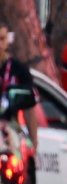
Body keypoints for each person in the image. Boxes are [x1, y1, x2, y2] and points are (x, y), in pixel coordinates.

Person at [0, 21, 40, 149]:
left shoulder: (19, 70)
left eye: (2, 39)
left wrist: (34, 143)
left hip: (9, 134)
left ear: (8, 40)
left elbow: (29, 110)